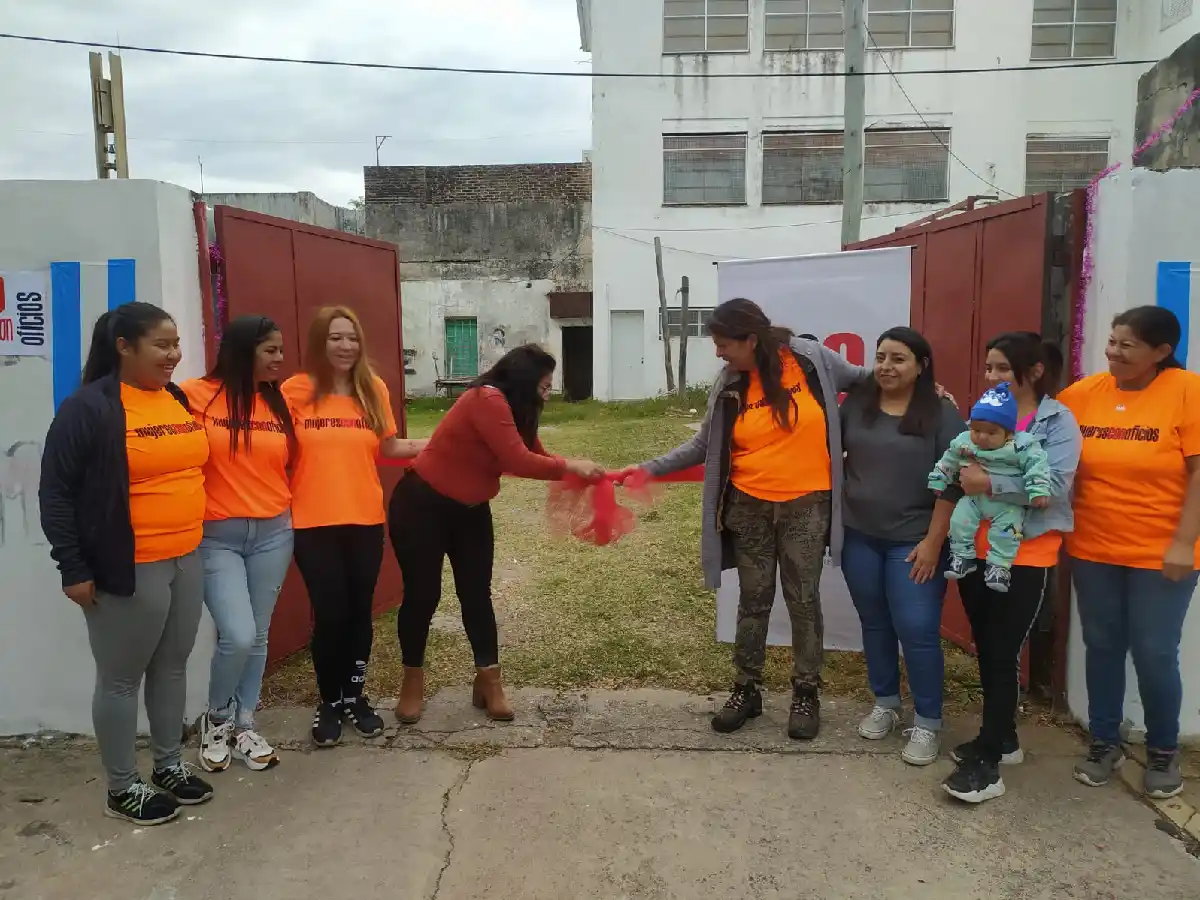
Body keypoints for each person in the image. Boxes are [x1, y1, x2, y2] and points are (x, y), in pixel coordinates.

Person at [625, 298, 868, 740]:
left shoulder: (811, 359)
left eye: (723, 344)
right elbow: (703, 445)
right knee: (753, 601)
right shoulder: (729, 381)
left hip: (807, 506)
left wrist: (926, 389)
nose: (718, 353)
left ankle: (806, 693)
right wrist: (648, 468)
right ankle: (746, 688)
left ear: (750, 339)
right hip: (749, 507)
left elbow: (866, 380)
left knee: (803, 601)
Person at [39, 302, 214, 826]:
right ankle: (122, 787)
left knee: (172, 666)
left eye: (176, 344)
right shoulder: (89, 408)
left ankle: (167, 766)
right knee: (120, 680)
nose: (174, 355)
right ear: (124, 346)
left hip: (186, 555)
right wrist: (73, 568)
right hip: (127, 566)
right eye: (162, 345)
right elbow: (56, 493)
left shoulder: (174, 398)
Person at [390, 344, 603, 724]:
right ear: (524, 378)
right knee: (423, 595)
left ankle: (489, 680)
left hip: (471, 511)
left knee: (476, 594)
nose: (548, 390)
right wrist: (572, 465)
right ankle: (412, 681)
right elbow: (517, 460)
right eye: (544, 383)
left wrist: (575, 471)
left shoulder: (518, 410)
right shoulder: (486, 399)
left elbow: (533, 453)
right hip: (422, 506)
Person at [1058, 306, 1199, 800]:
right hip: (1094, 545)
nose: (1113, 352)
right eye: (1112, 342)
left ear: (1161, 352)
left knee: (1155, 651)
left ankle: (1162, 751)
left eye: (1127, 345)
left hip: (1163, 553)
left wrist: (1184, 542)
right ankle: (1104, 742)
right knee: (1101, 644)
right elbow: (1032, 425)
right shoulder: (1084, 395)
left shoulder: (1188, 392)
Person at [942, 332, 1080, 805]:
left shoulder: (1056, 422)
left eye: (1002, 368)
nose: (992, 377)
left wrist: (990, 483)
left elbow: (1056, 487)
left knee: (1001, 653)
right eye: (989, 368)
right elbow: (959, 467)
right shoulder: (985, 414)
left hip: (1023, 556)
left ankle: (989, 768)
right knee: (989, 650)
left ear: (1034, 371)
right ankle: (1002, 739)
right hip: (973, 551)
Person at [282, 306, 425, 747]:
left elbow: (391, 446)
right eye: (335, 338)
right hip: (312, 521)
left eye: (352, 338)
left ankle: (354, 697)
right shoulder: (295, 390)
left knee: (360, 613)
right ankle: (328, 701)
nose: (345, 346)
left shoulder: (372, 388)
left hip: (364, 519)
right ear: (319, 343)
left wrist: (446, 442)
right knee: (331, 615)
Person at [839, 327, 964, 766]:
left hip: (914, 542)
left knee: (916, 629)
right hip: (860, 535)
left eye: (899, 359)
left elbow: (954, 483)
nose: (887, 367)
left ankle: (928, 722)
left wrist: (934, 542)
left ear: (921, 366)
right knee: (874, 623)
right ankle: (886, 703)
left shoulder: (942, 413)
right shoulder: (857, 405)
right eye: (881, 357)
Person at [181, 316, 297, 772]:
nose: (279, 359)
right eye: (271, 350)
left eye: (281, 350)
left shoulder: (277, 400)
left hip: (274, 531)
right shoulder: (194, 395)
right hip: (217, 536)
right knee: (239, 634)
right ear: (243, 350)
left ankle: (246, 723)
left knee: (260, 634)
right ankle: (219, 718)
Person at [929, 382, 1053, 593]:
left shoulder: (1022, 445)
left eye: (991, 433)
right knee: (959, 521)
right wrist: (938, 479)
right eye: (976, 430)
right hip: (974, 499)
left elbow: (1037, 467)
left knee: (1007, 531)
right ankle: (962, 556)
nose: (982, 437)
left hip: (1006, 504)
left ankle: (999, 567)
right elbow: (948, 459)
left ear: (1009, 433)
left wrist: (1038, 490)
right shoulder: (965, 441)